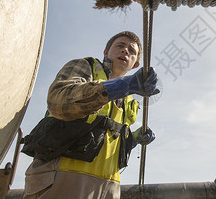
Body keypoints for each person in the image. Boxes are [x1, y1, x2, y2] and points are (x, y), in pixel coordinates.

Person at [23, 31, 160, 199]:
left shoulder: (130, 99)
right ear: (105, 52)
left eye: (132, 51)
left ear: (136, 64)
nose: (125, 51)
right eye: (120, 46)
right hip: (62, 176)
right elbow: (58, 101)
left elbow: (108, 137)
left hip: (108, 186)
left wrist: (133, 139)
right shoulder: (85, 67)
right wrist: (118, 87)